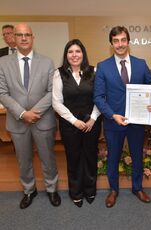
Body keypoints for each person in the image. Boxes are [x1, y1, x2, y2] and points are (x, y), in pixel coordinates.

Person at [94, 26, 151, 208]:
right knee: (113, 157)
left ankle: (137, 188)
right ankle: (113, 190)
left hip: (137, 121)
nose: (120, 44)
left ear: (128, 42)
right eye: (116, 41)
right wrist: (112, 115)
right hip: (113, 122)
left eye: (123, 40)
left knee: (137, 155)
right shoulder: (102, 66)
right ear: (111, 44)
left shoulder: (141, 63)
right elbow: (98, 97)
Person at [0, 23, 61, 209]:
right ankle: (29, 190)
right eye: (20, 35)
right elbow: (2, 92)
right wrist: (22, 113)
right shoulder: (2, 63)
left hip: (43, 120)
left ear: (33, 38)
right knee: (23, 159)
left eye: (27, 35)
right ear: (13, 39)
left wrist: (34, 112)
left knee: (48, 157)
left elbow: (52, 92)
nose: (24, 38)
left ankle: (52, 189)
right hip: (17, 121)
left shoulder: (47, 62)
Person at [52, 39, 102, 207]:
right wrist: (74, 121)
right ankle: (76, 192)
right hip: (69, 125)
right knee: (73, 158)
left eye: (78, 51)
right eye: (70, 52)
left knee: (90, 157)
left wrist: (93, 118)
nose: (74, 55)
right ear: (66, 55)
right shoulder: (59, 73)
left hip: (91, 124)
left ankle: (90, 190)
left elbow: (100, 97)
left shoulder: (94, 71)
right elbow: (56, 102)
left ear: (83, 54)